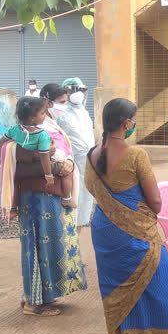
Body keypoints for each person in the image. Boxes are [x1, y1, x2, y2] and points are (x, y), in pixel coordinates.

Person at [85, 98, 168, 334]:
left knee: (119, 292)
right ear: (126, 123)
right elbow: (156, 203)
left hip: (105, 232)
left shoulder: (91, 155)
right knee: (164, 289)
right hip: (137, 236)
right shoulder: (136, 155)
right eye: (134, 120)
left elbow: (94, 190)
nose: (134, 124)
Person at [0, 87, 87, 317]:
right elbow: (10, 150)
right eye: (59, 102)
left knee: (48, 245)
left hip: (48, 195)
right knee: (38, 246)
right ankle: (34, 303)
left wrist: (64, 160)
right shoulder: (24, 133)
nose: (59, 107)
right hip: (37, 196)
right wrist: (44, 158)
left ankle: (38, 295)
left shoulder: (44, 128)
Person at [58, 77, 96, 227]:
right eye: (74, 90)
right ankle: (68, 224)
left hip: (87, 159)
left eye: (80, 90)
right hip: (70, 159)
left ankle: (80, 223)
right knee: (72, 190)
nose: (77, 94)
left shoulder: (83, 112)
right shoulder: (61, 113)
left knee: (86, 191)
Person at [39, 83, 80, 208]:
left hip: (62, 176)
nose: (64, 106)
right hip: (49, 190)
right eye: (61, 102)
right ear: (47, 103)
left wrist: (69, 161)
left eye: (65, 102)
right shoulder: (39, 126)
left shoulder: (52, 124)